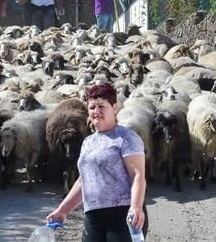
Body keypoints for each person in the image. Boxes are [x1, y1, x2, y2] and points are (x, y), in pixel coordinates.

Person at [46, 82, 148, 242]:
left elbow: (137, 175)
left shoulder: (127, 137)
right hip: (93, 215)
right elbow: (83, 181)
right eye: (92, 107)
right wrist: (62, 210)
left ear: (114, 108)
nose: (96, 111)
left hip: (123, 214)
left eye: (101, 106)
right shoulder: (88, 142)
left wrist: (136, 207)